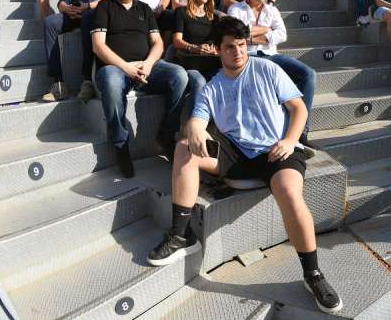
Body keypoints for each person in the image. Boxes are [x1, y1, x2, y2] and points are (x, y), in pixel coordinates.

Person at [147, 17, 343, 313]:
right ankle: (180, 234)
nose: (238, 52)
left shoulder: (266, 68)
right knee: (185, 147)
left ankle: (312, 274)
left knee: (289, 192)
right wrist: (196, 129)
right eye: (230, 47)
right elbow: (197, 120)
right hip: (237, 153)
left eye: (241, 45)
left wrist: (291, 140)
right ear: (217, 50)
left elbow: (298, 107)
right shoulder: (212, 87)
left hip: (277, 148)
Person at [91, 0, 190, 177]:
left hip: (145, 66)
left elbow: (157, 44)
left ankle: (166, 132)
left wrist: (147, 64)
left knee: (180, 76)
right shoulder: (105, 7)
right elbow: (98, 46)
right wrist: (126, 67)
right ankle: (120, 142)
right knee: (111, 80)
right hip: (115, 68)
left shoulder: (144, 9)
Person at [228, 0, 316, 145]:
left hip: (272, 55)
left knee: (308, 74)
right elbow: (238, 35)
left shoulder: (271, 10)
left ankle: (301, 131)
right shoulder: (235, 9)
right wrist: (267, 31)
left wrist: (256, 36)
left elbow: (282, 34)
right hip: (249, 58)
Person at [42, 0, 114, 101]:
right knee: (50, 22)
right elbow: (63, 0)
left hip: (93, 13)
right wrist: (66, 8)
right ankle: (58, 83)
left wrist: (88, 6)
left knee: (88, 17)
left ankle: (87, 80)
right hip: (73, 13)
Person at [172, 0, 222, 124]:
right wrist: (195, 48)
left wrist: (215, 49)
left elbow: (219, 42)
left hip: (211, 62)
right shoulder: (182, 12)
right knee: (199, 82)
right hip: (190, 62)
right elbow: (177, 41)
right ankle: (192, 128)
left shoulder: (213, 17)